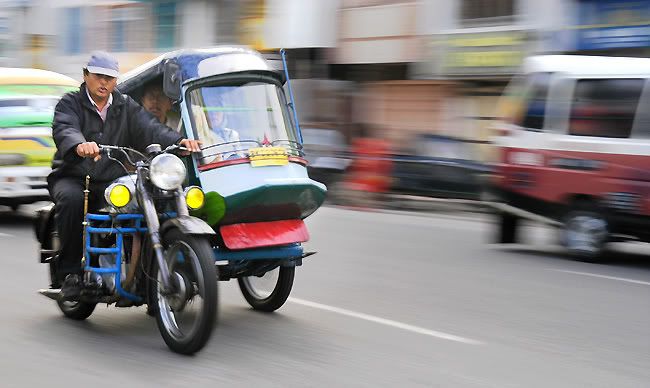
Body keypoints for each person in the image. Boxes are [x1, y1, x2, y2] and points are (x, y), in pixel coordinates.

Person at [48, 51, 201, 299]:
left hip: (111, 178)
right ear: (86, 75)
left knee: (149, 201)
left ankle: (146, 275)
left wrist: (180, 141)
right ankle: (71, 274)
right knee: (72, 201)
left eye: (109, 78)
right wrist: (79, 144)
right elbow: (65, 128)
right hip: (74, 176)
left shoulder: (125, 105)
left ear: (115, 81)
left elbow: (150, 129)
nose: (104, 83)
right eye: (98, 76)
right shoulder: (70, 103)